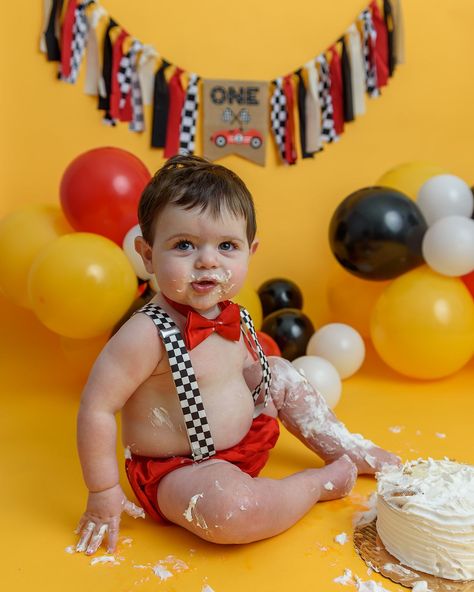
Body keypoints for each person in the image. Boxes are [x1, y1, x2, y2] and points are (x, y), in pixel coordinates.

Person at [75, 155, 399, 556]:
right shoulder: (145, 334)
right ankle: (318, 484)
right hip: (183, 472)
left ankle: (347, 447)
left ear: (251, 250)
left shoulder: (235, 313)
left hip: (247, 442)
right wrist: (103, 489)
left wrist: (265, 383)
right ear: (146, 253)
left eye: (227, 246)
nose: (208, 260)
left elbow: (245, 371)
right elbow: (97, 408)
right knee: (232, 512)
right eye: (184, 245)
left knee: (279, 372)